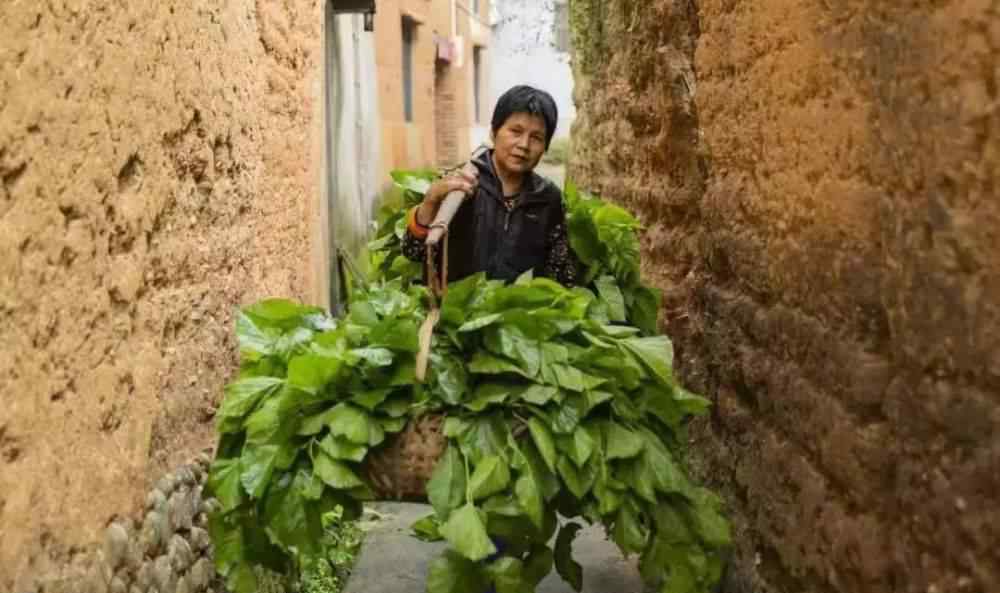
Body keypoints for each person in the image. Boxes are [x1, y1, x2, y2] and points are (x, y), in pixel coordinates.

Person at [402, 85, 578, 287]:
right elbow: (412, 251)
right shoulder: (458, 184)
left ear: (545, 146)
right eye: (515, 131)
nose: (524, 145)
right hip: (456, 312)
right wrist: (431, 201)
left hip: (520, 314)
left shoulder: (548, 198)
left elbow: (561, 274)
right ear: (494, 132)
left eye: (536, 138)